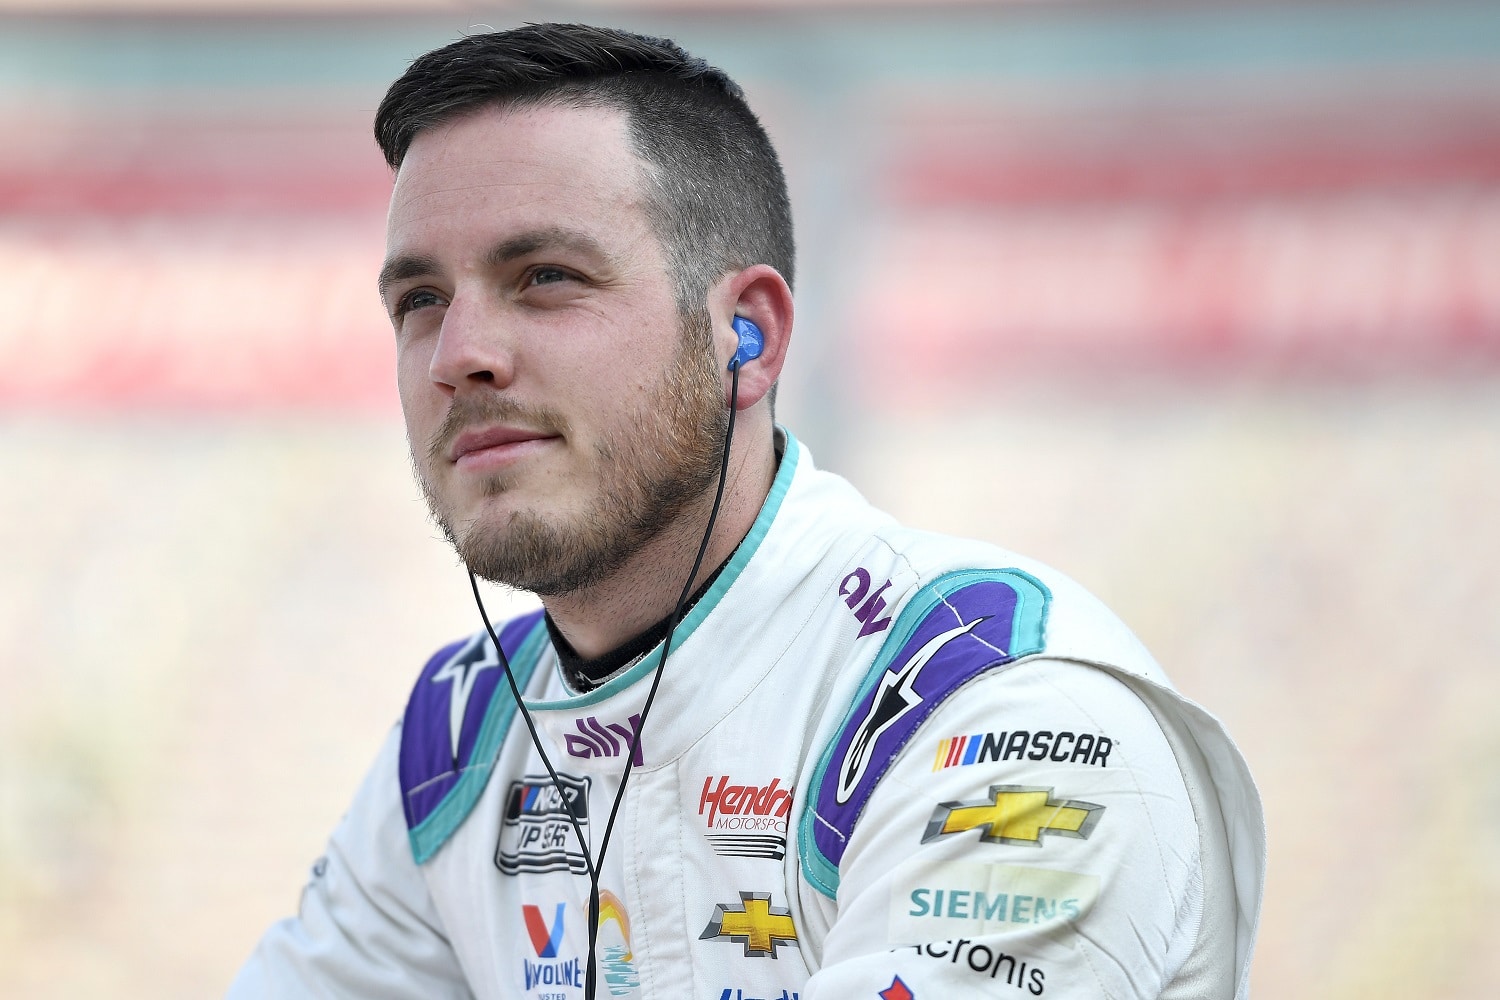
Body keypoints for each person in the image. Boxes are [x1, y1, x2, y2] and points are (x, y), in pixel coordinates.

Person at [230, 23, 1264, 1000]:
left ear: (748, 340)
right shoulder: (460, 738)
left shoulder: (1011, 713)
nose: (460, 355)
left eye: (545, 278)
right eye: (420, 300)